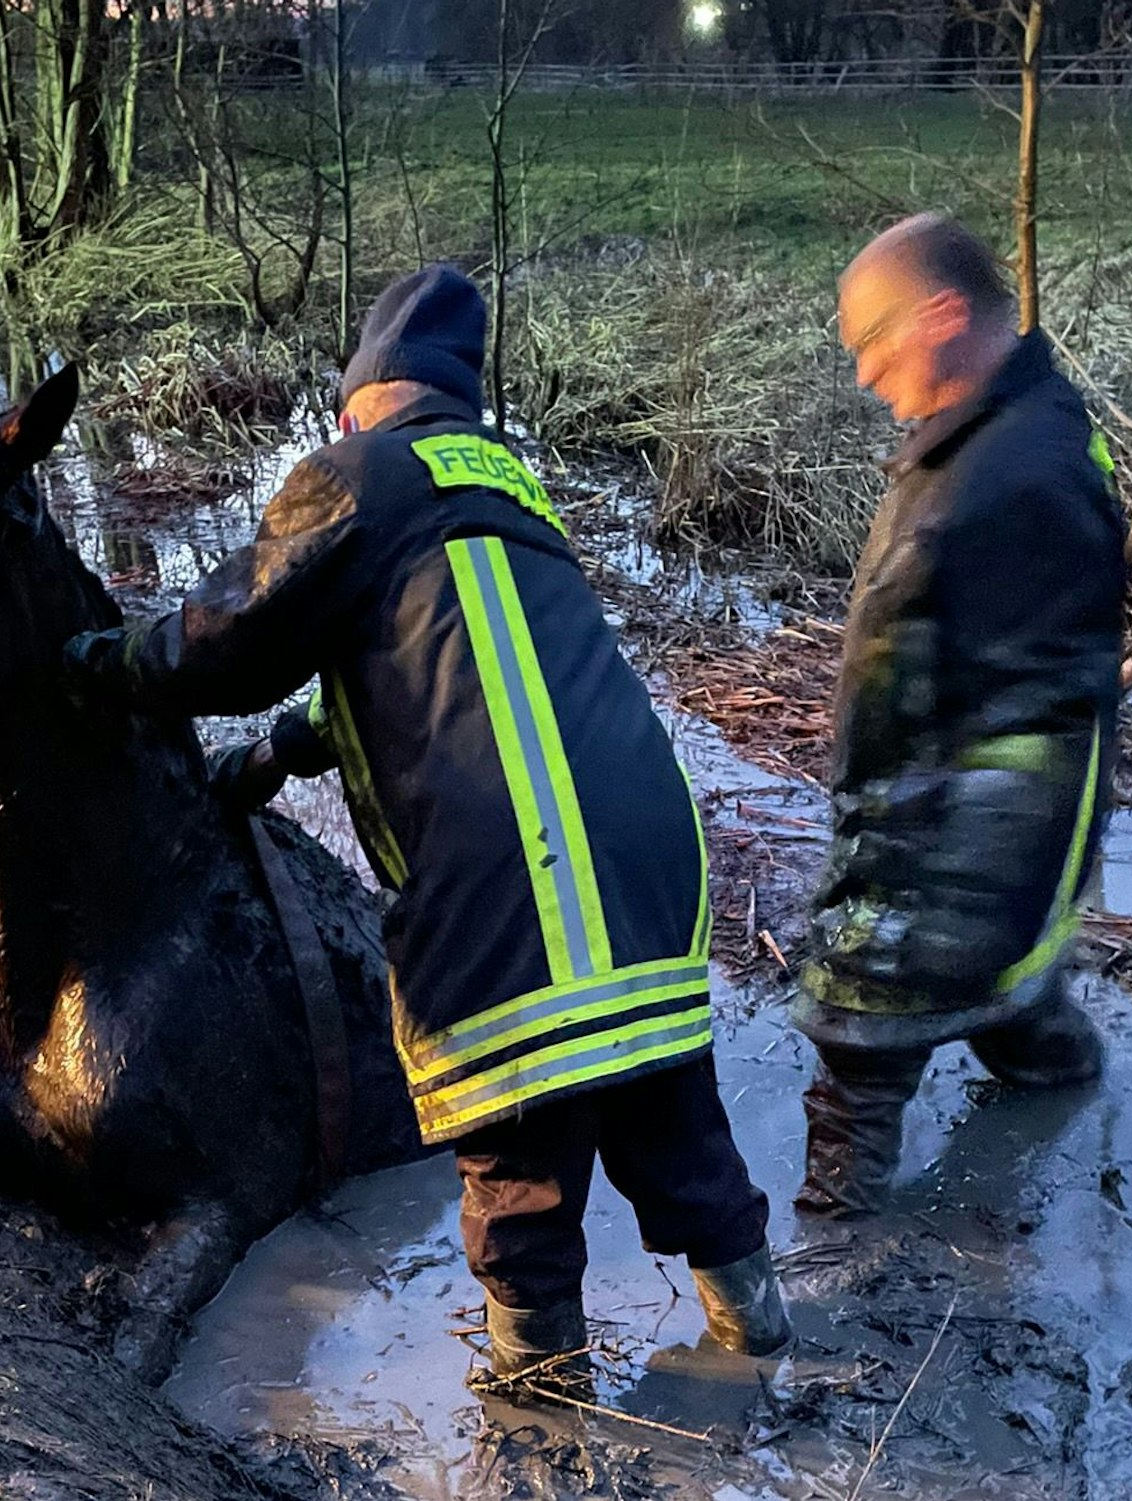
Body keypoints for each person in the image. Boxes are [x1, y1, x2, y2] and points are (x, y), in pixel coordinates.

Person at [66, 265, 790, 1384]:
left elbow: (224, 640)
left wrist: (106, 662)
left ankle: (539, 1409)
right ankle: (759, 1348)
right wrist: (276, 756)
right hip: (646, 858)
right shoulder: (506, 487)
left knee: (518, 1157)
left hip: (506, 873)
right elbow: (454, 668)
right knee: (671, 1114)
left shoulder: (349, 477)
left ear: (360, 398)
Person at [791, 213, 1124, 1219]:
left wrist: (882, 867)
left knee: (851, 1084)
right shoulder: (1020, 431)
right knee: (1019, 1006)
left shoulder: (1004, 474)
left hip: (950, 855)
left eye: (871, 342)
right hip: (994, 857)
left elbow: (1019, 704)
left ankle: (815, 1321)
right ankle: (1051, 1100)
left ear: (939, 314)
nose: (863, 375)